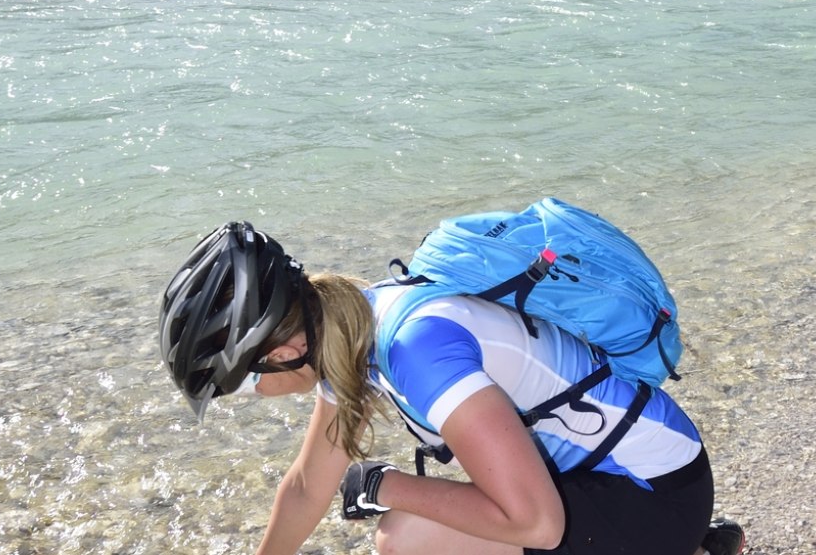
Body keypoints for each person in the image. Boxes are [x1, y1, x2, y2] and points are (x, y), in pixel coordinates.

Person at [158, 221, 747, 555]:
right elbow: (309, 486)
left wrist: (387, 485)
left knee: (407, 539)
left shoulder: (418, 350)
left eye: (250, 380)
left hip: (657, 493)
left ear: (287, 350)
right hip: (608, 478)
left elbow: (535, 525)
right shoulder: (352, 329)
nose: (258, 393)